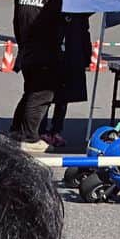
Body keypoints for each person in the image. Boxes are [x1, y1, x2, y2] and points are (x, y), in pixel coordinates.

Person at [10, 0, 66, 153]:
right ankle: (30, 138)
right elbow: (63, 25)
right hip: (46, 53)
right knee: (41, 96)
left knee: (30, 93)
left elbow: (16, 23)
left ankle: (16, 130)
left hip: (27, 51)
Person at [40, 10, 92, 148]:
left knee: (63, 97)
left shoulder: (79, 14)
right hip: (51, 56)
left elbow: (85, 32)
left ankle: (56, 130)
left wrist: (86, 57)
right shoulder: (53, 7)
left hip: (70, 56)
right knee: (46, 95)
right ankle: (42, 131)